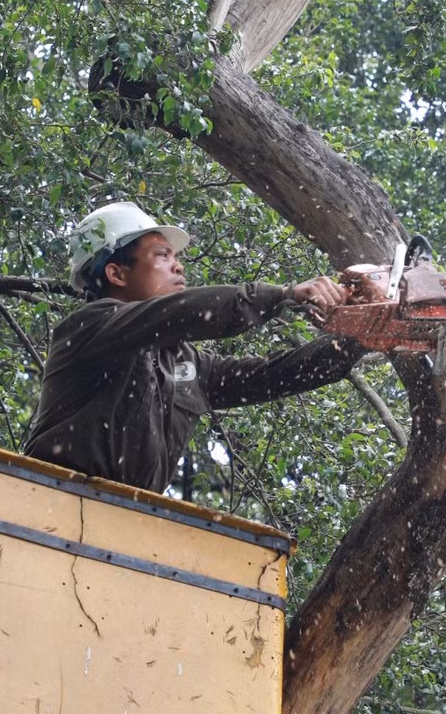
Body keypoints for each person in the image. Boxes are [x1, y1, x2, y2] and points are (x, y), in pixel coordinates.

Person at [23, 200, 365, 494]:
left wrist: (361, 334)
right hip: (51, 499)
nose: (178, 265)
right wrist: (284, 294)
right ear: (116, 273)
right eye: (162, 255)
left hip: (128, 520)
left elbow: (270, 375)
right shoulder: (88, 327)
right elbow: (181, 313)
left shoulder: (183, 362)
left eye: (175, 256)